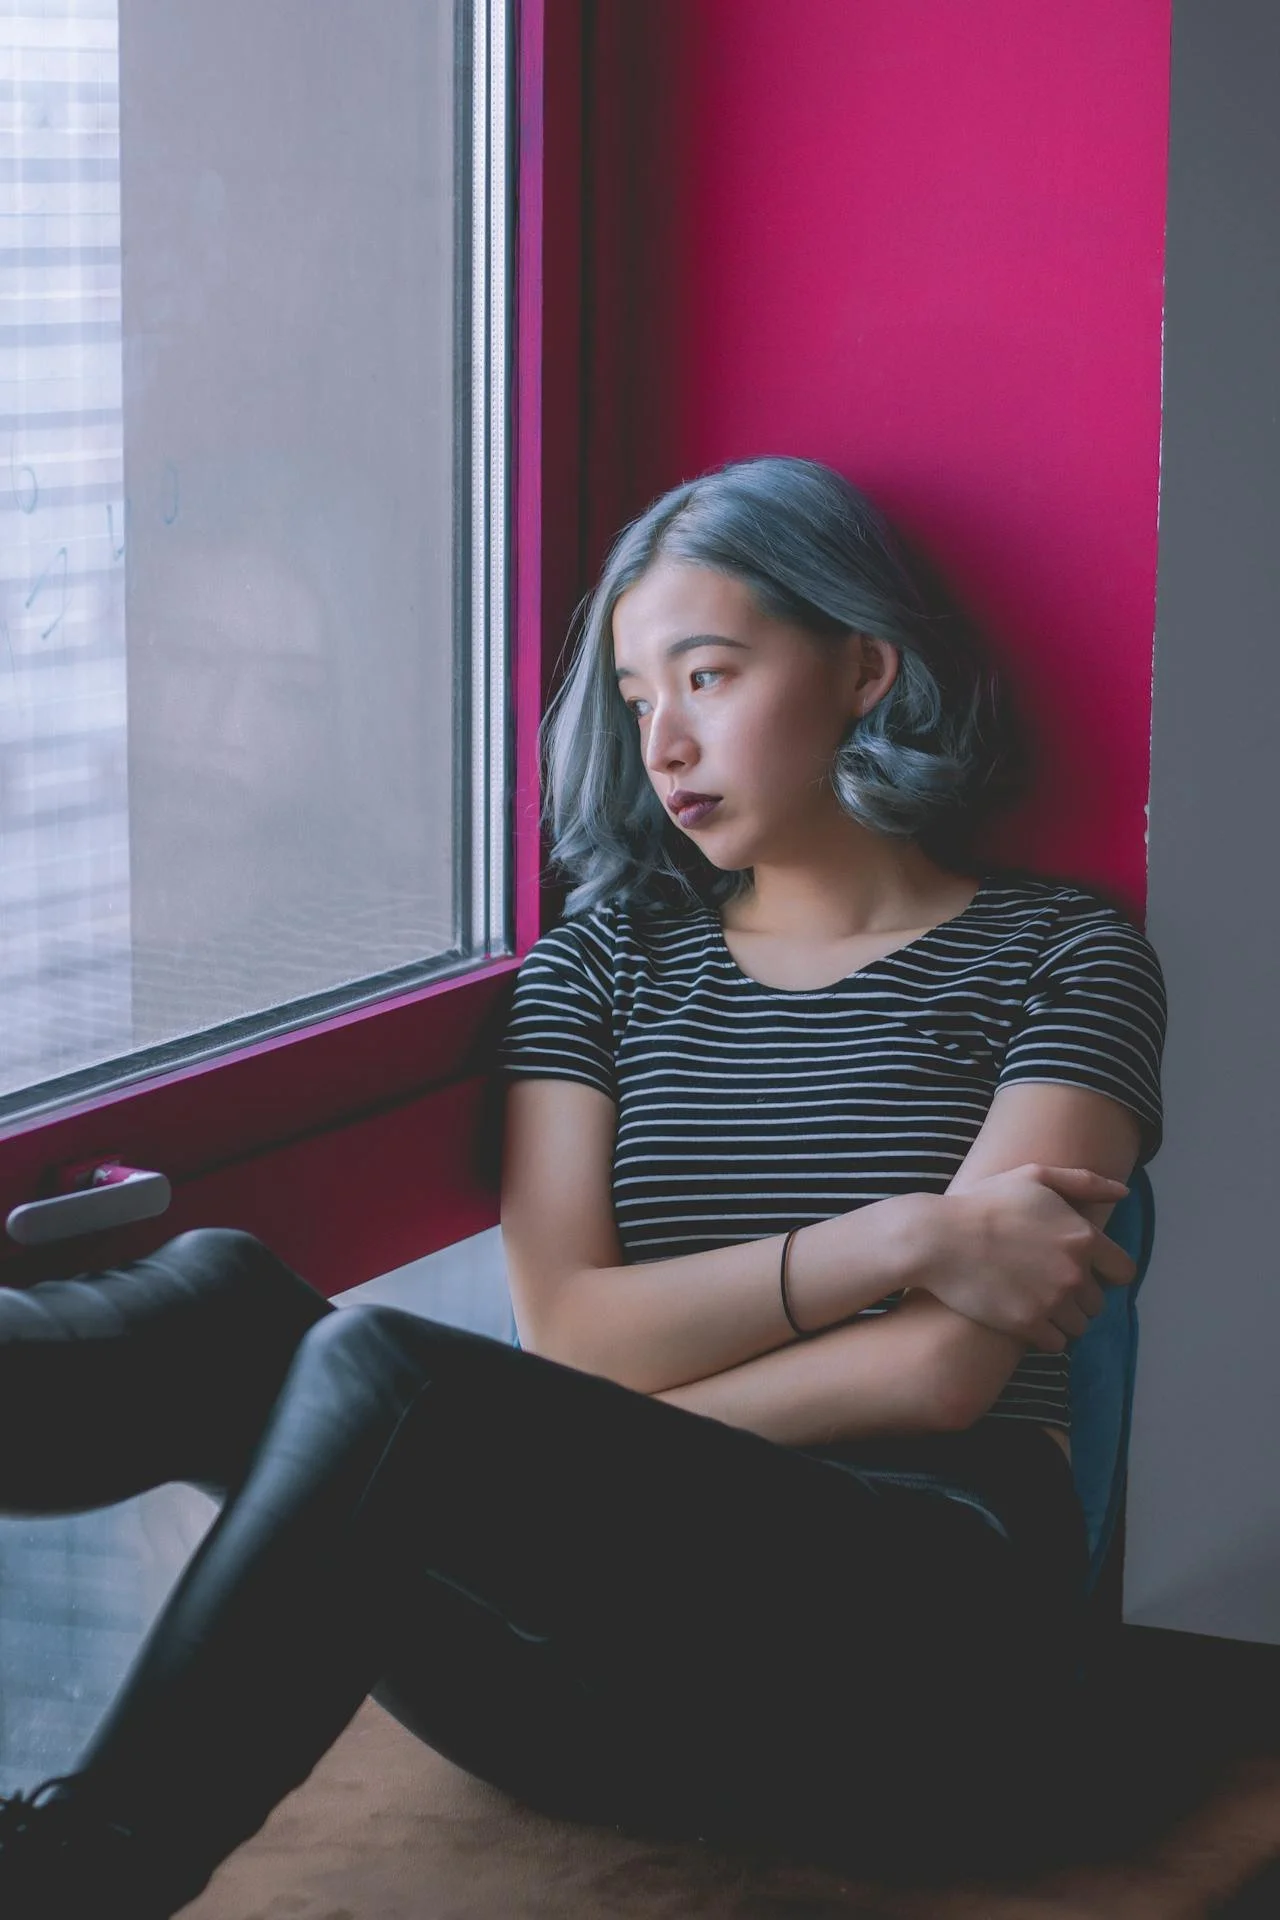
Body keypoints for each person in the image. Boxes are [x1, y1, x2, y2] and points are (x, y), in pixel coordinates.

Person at [0, 456, 1166, 1916]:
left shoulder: (1066, 956)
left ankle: (76, 1880)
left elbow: (938, 1374)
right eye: (634, 695)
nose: (664, 741)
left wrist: (517, 1442)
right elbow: (571, 1333)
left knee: (383, 1381)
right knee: (223, 1298)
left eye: (708, 676)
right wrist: (902, 1235)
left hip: (922, 1651)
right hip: (576, 1678)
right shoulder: (600, 967)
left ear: (864, 668)